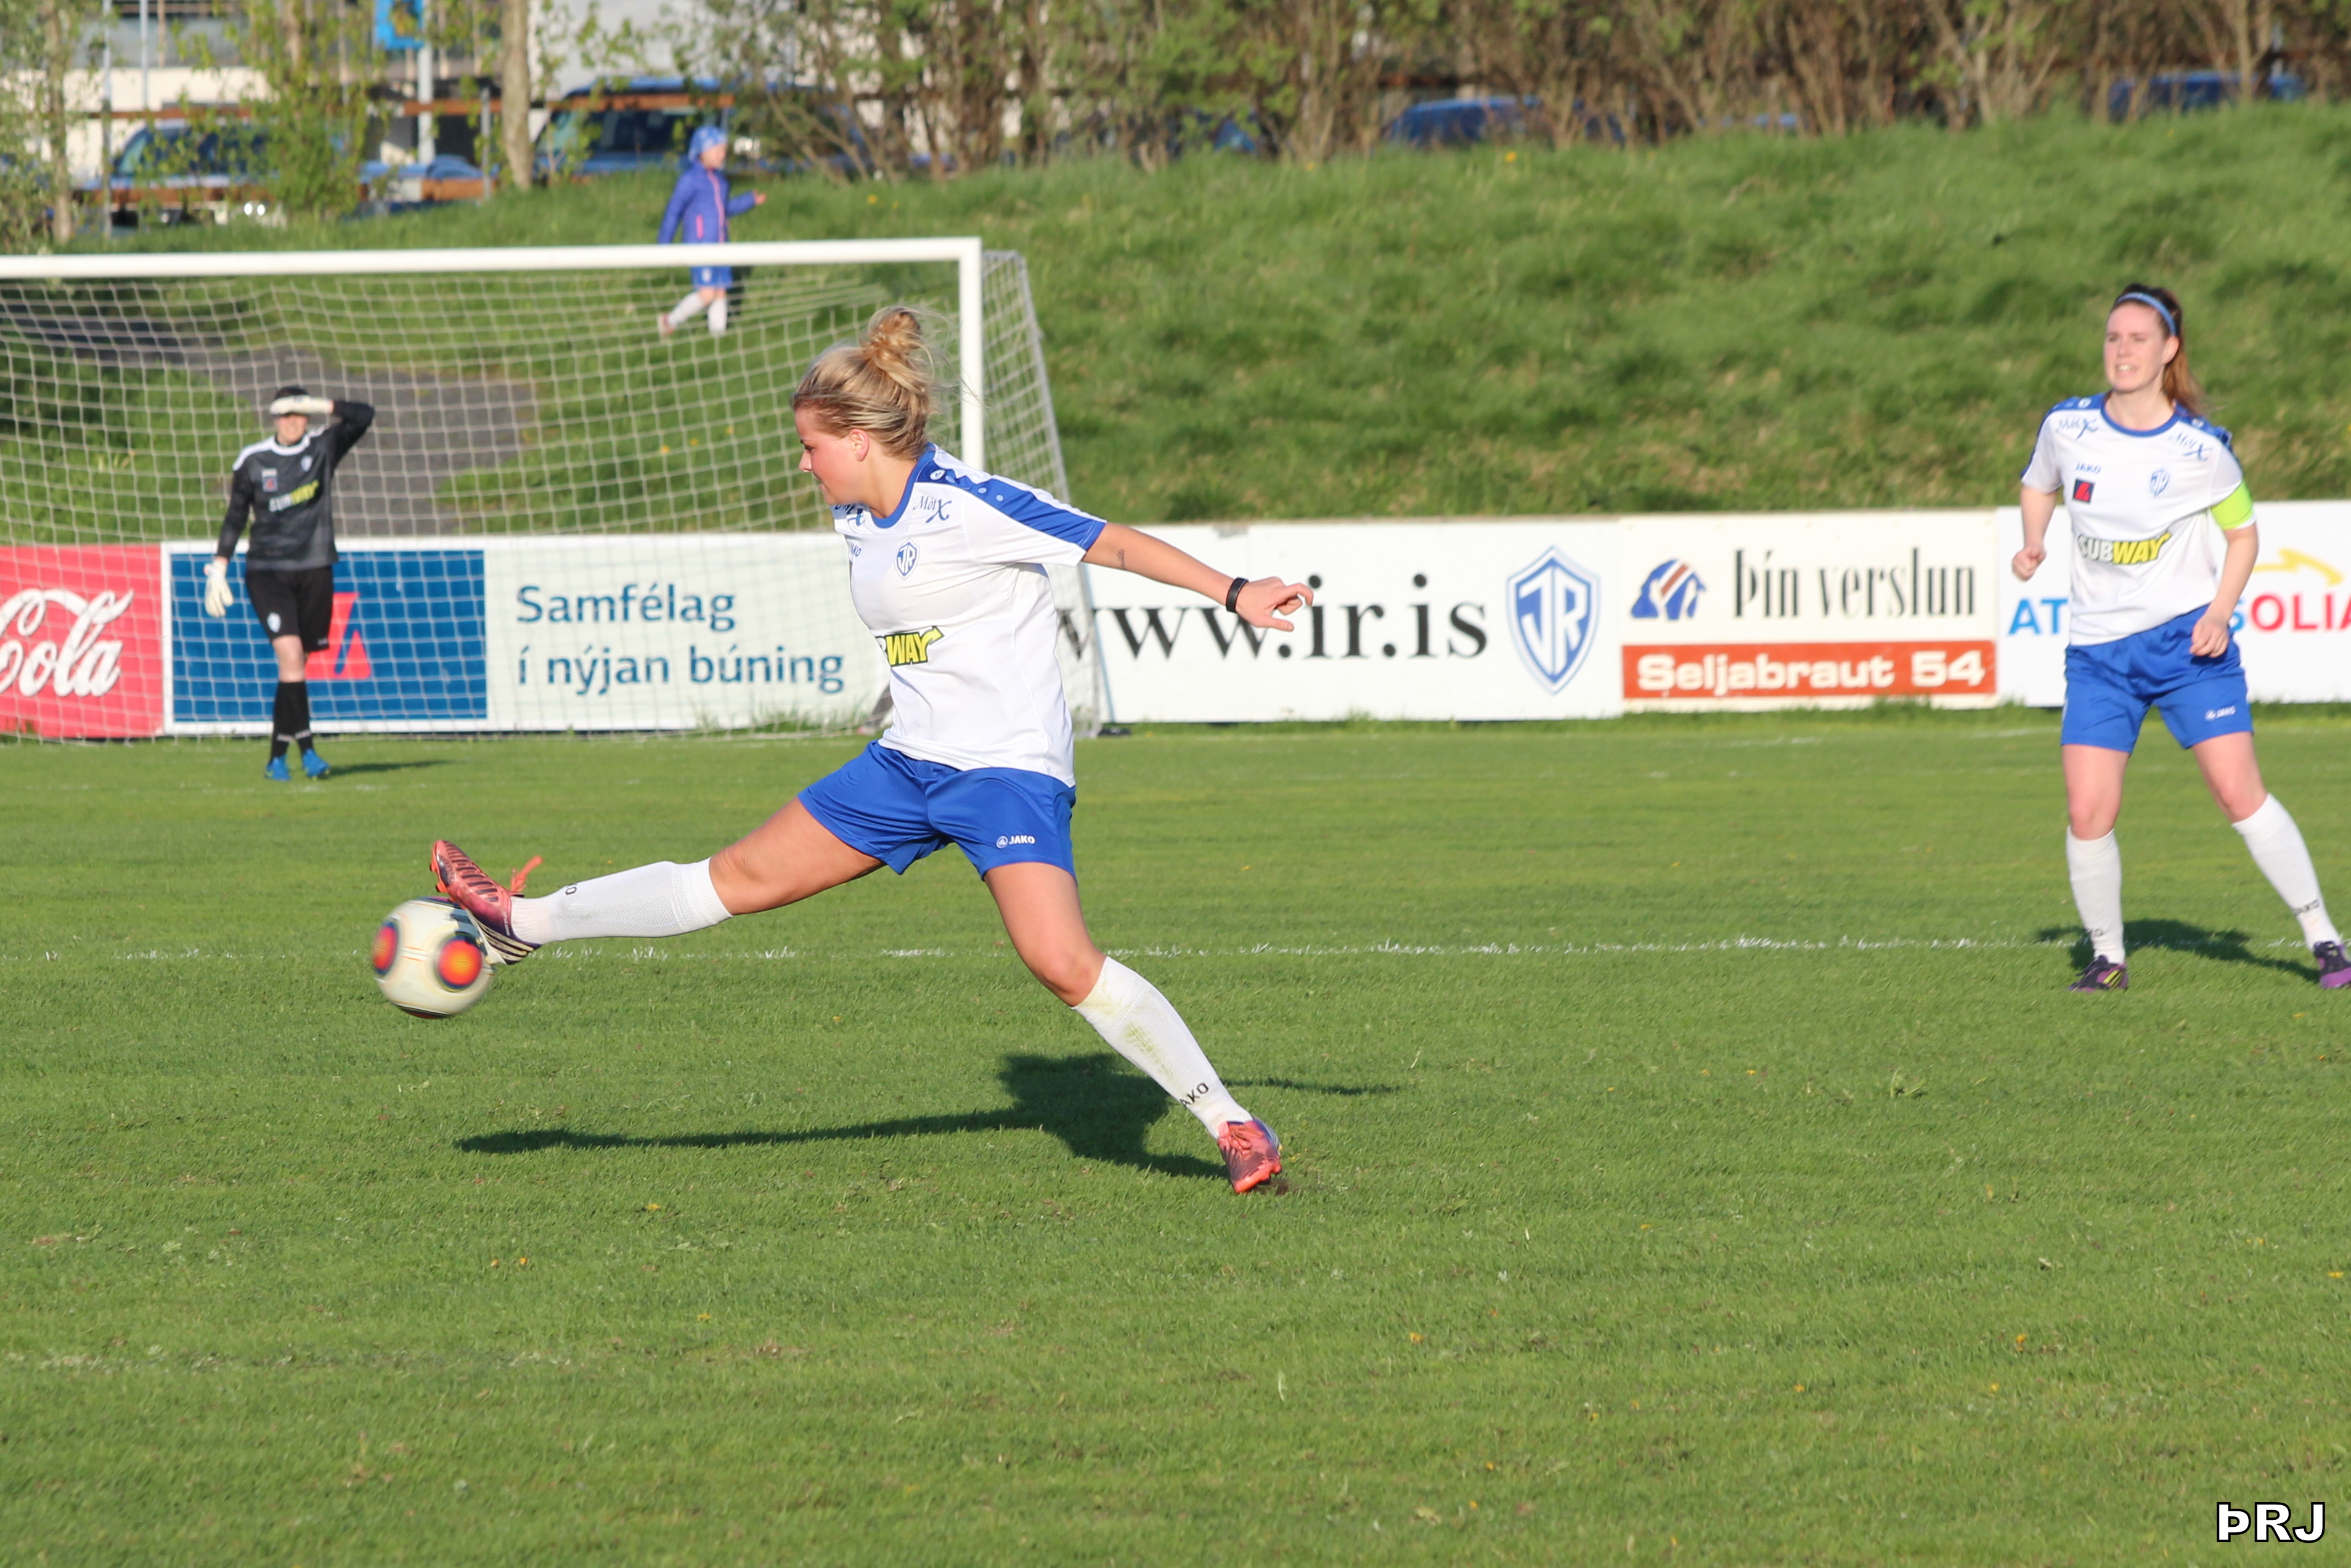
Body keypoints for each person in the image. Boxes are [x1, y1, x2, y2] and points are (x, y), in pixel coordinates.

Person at [430, 307, 1313, 1192]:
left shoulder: (967, 503)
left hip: (1003, 770)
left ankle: (1230, 1122)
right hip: (905, 763)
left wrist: (1234, 590)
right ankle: (519, 924)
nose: (803, 463)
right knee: (730, 878)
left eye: (810, 447)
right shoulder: (856, 516)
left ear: (857, 441)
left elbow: (1108, 541)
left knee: (1059, 960)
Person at [2014, 283, 2349, 993]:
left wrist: (2219, 612)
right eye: (2112, 337)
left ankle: (2324, 939)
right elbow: (2037, 484)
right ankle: (2107, 959)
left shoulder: (2200, 449)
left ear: (2168, 350)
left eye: (2137, 339)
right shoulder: (2066, 426)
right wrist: (2033, 539)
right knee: (2087, 811)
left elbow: (2242, 535)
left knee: (2237, 794)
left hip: (2186, 650)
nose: (2121, 351)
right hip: (2097, 656)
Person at [203, 387, 375, 781]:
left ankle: (276, 758)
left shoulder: (322, 447)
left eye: (299, 414)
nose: (293, 421)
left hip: (315, 569)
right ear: (275, 418)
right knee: (292, 656)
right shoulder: (254, 460)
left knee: (294, 666)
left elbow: (364, 415)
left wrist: (321, 404)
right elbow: (235, 516)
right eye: (286, 414)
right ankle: (309, 752)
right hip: (268, 572)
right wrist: (219, 566)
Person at [654, 124, 764, 339]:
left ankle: (718, 339)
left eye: (724, 150)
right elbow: (673, 211)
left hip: (720, 245)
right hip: (700, 246)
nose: (723, 155)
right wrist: (663, 244)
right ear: (702, 152)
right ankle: (669, 321)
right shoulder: (689, 180)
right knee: (707, 293)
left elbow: (724, 209)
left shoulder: (721, 181)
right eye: (718, 150)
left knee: (721, 290)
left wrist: (749, 201)